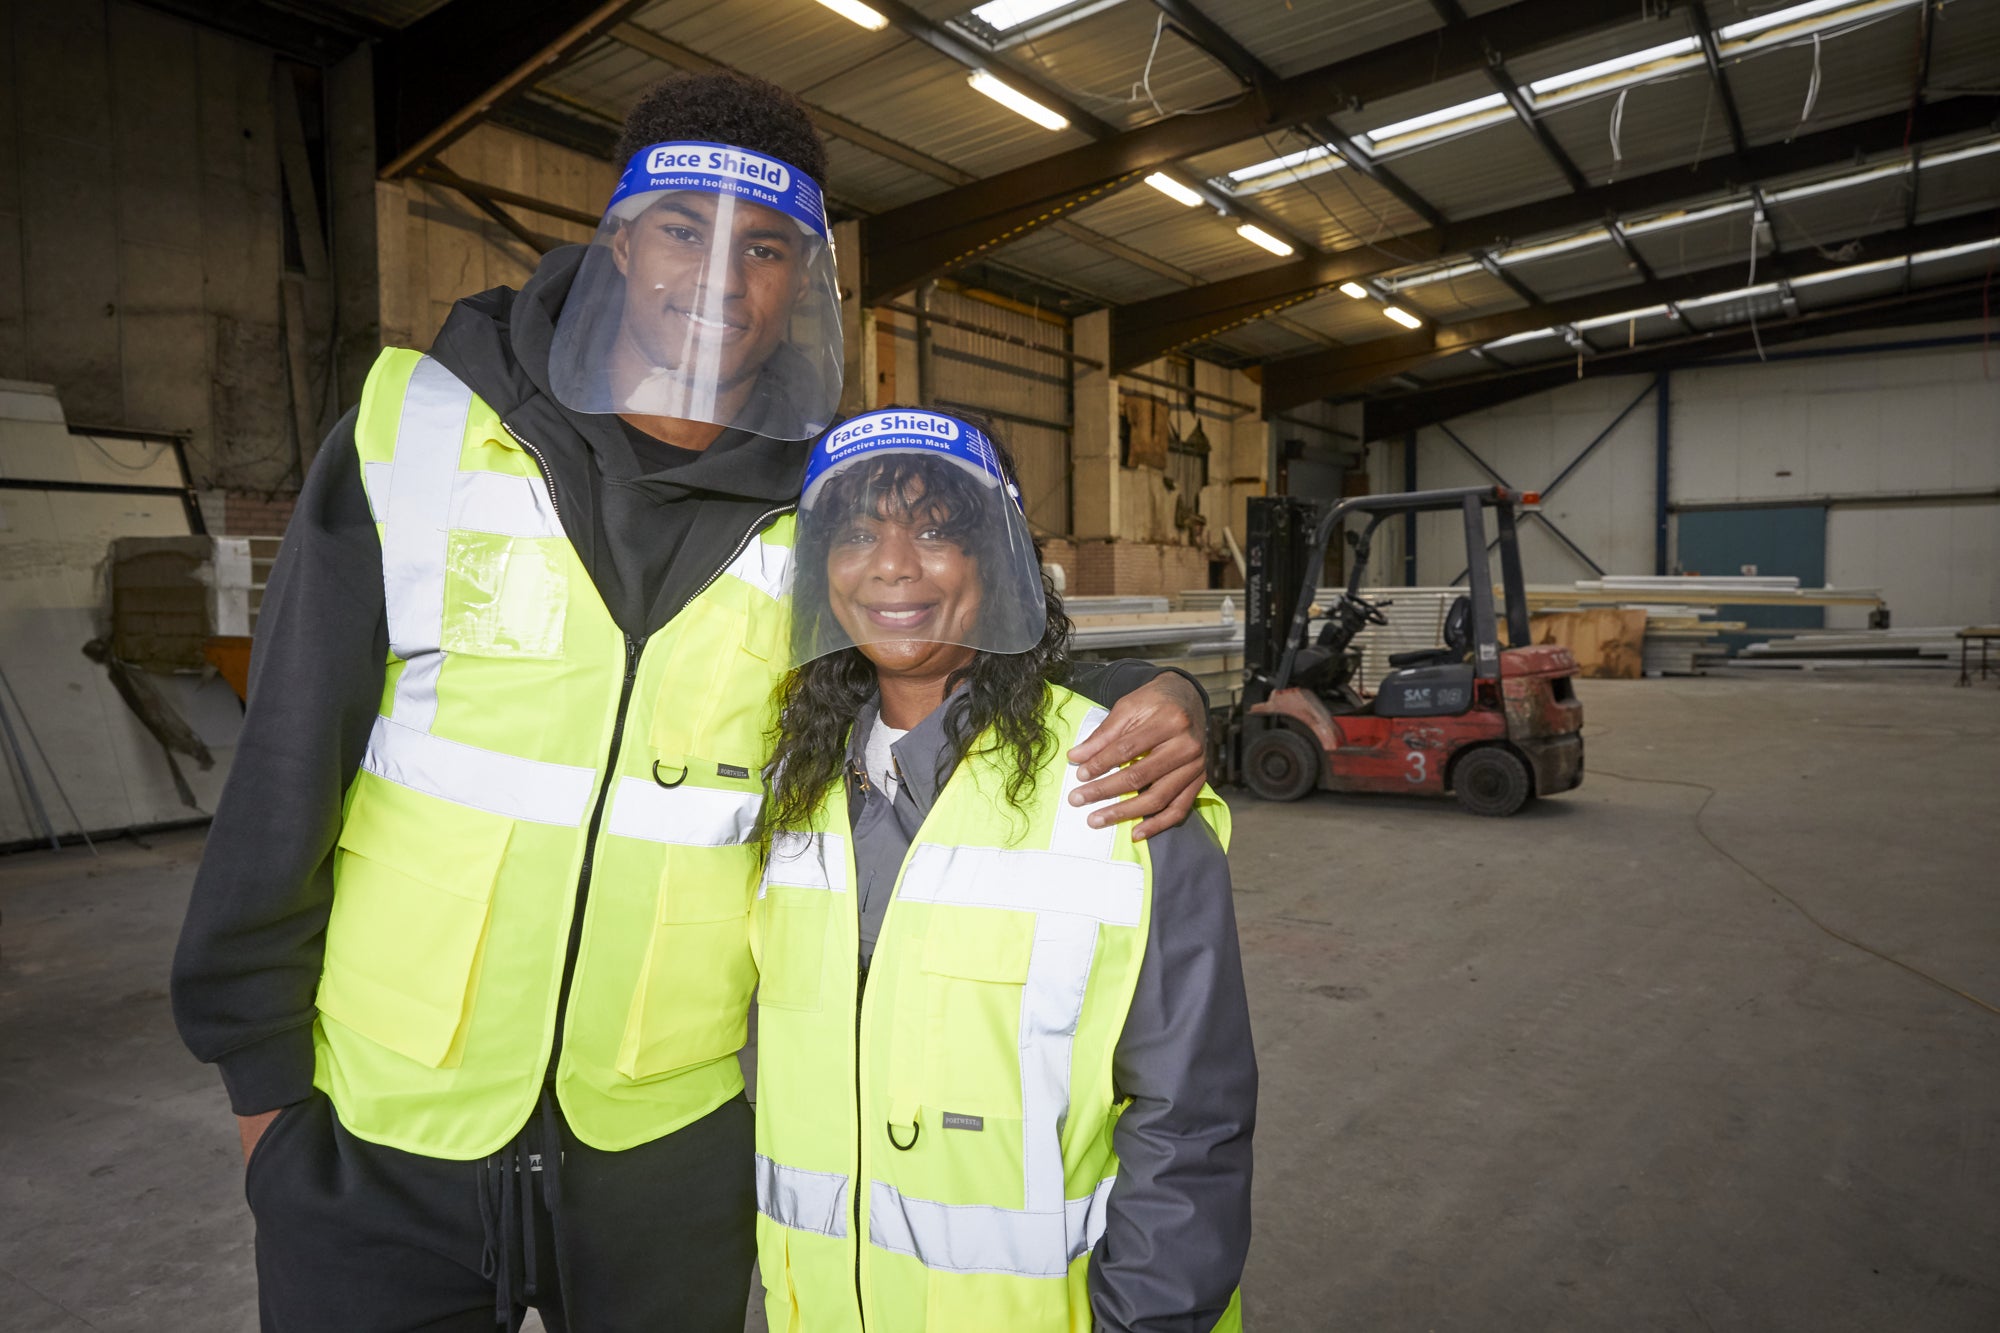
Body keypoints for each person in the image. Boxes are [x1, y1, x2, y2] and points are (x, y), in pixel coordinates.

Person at [169, 73, 1213, 1332]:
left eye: (765, 246)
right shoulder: (424, 425)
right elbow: (287, 757)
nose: (721, 276)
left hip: (666, 1139)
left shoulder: (820, 503)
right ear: (616, 239)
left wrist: (1143, 682)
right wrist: (265, 1091)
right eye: (683, 227)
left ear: (802, 284)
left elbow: (949, 639)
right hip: (382, 1123)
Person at [752, 407, 1256, 1332]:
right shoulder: (793, 789)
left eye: (937, 530)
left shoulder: (1119, 781)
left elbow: (1191, 1119)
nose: (895, 564)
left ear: (998, 563)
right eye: (858, 532)